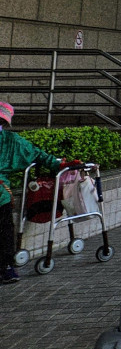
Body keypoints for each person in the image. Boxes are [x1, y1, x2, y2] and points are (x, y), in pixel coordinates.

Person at [0, 102, 76, 283]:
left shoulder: (11, 141)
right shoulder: (11, 141)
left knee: (4, 231)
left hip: (1, 195)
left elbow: (37, 155)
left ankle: (5, 267)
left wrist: (61, 165)